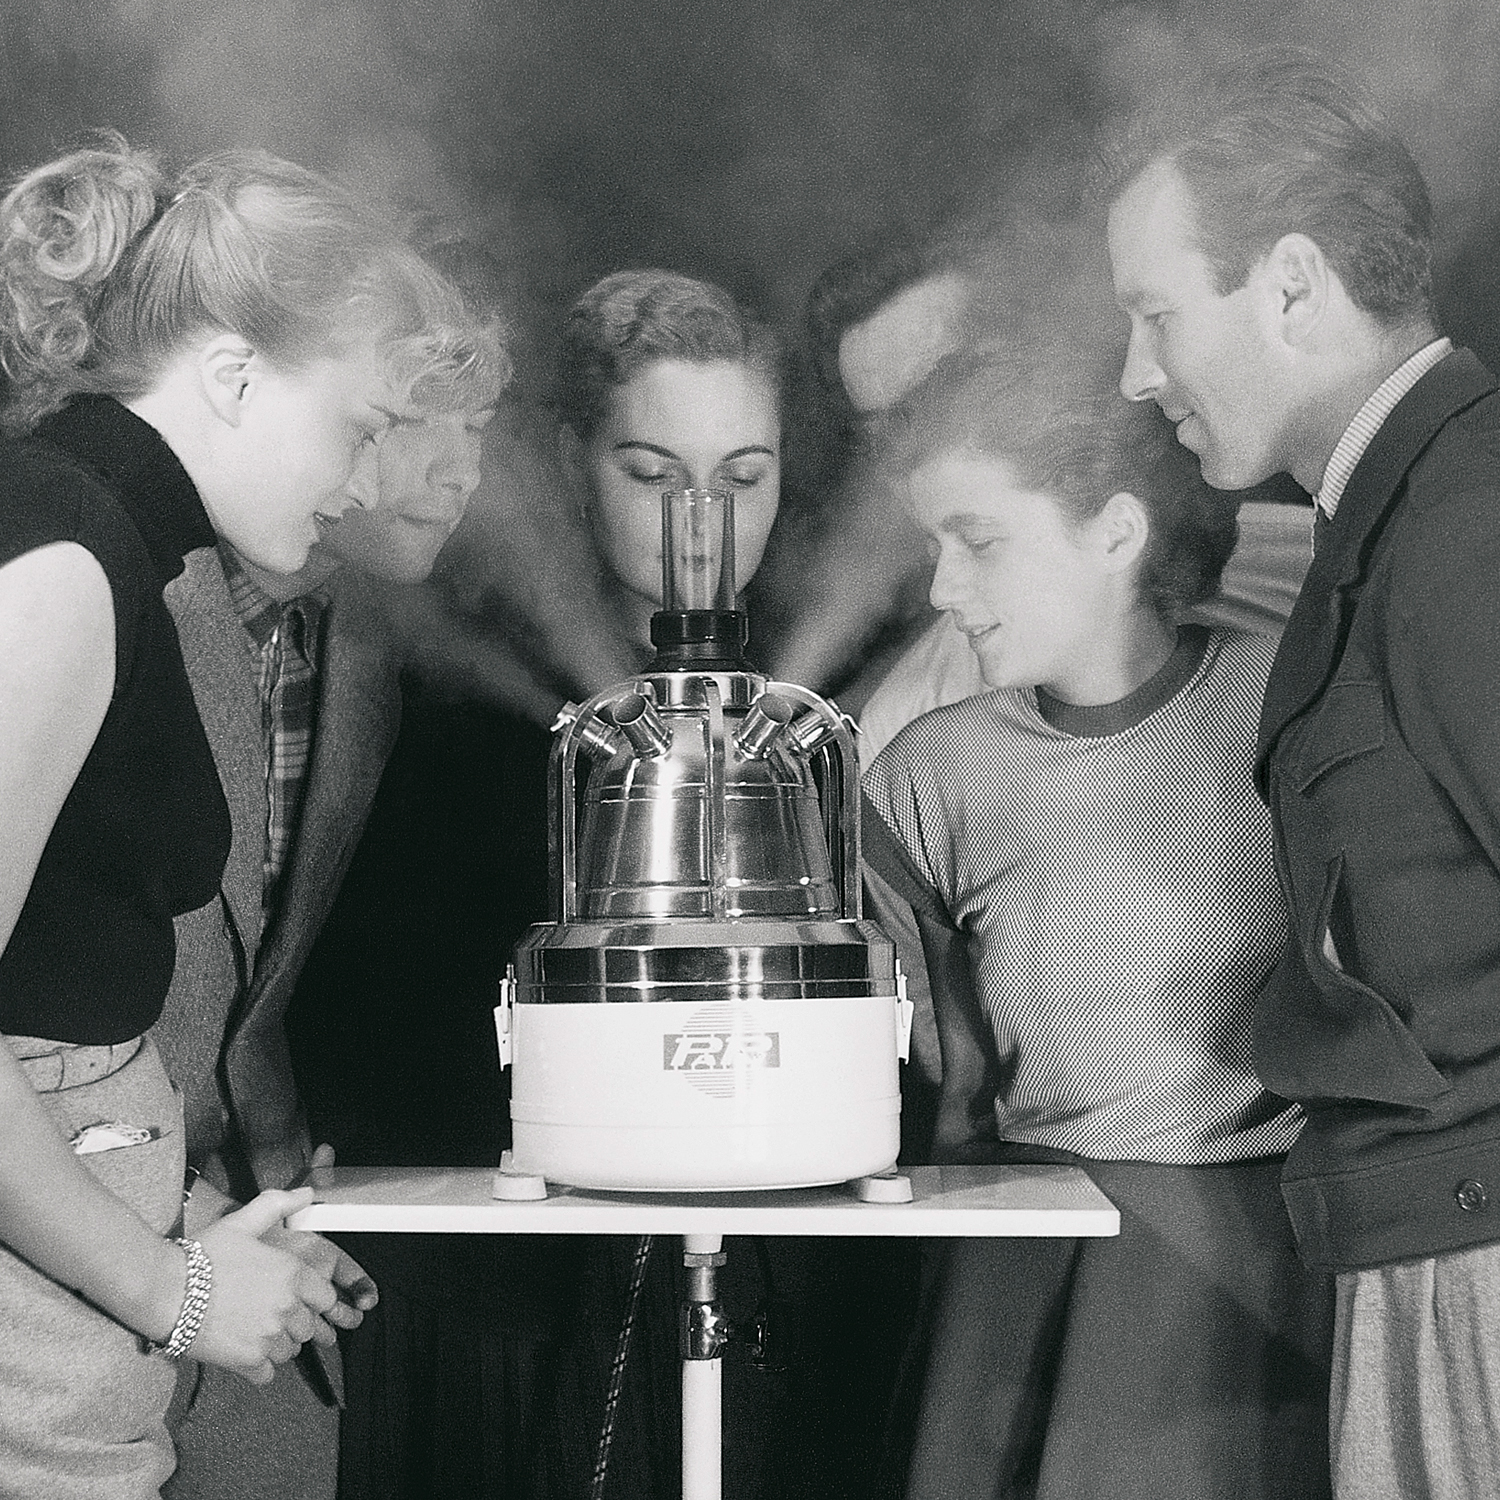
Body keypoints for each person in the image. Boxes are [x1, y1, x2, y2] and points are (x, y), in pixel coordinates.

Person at [0, 132, 459, 1498]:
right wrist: (173, 1288)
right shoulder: (68, 562)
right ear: (234, 374)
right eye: (361, 428)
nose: (370, 485)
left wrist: (194, 1225)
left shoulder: (101, 546)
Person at [1104, 50, 1500, 1499]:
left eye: (1155, 314)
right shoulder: (1393, 515)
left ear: (1288, 284)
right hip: (1432, 1242)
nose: (1137, 375)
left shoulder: (1467, 525)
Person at [862, 351, 1334, 1499]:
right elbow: (943, 1090)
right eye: (931, 546)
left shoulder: (1293, 713)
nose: (941, 589)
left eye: (979, 540)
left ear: (1117, 531)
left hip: (1258, 1270)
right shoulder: (928, 774)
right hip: (1018, 1271)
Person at [154, 245, 508, 1500]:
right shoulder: (109, 583)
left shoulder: (373, 635)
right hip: (71, 1237)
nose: (462, 471)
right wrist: (163, 1217)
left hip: (267, 1242)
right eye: (418, 422)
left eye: (483, 428)